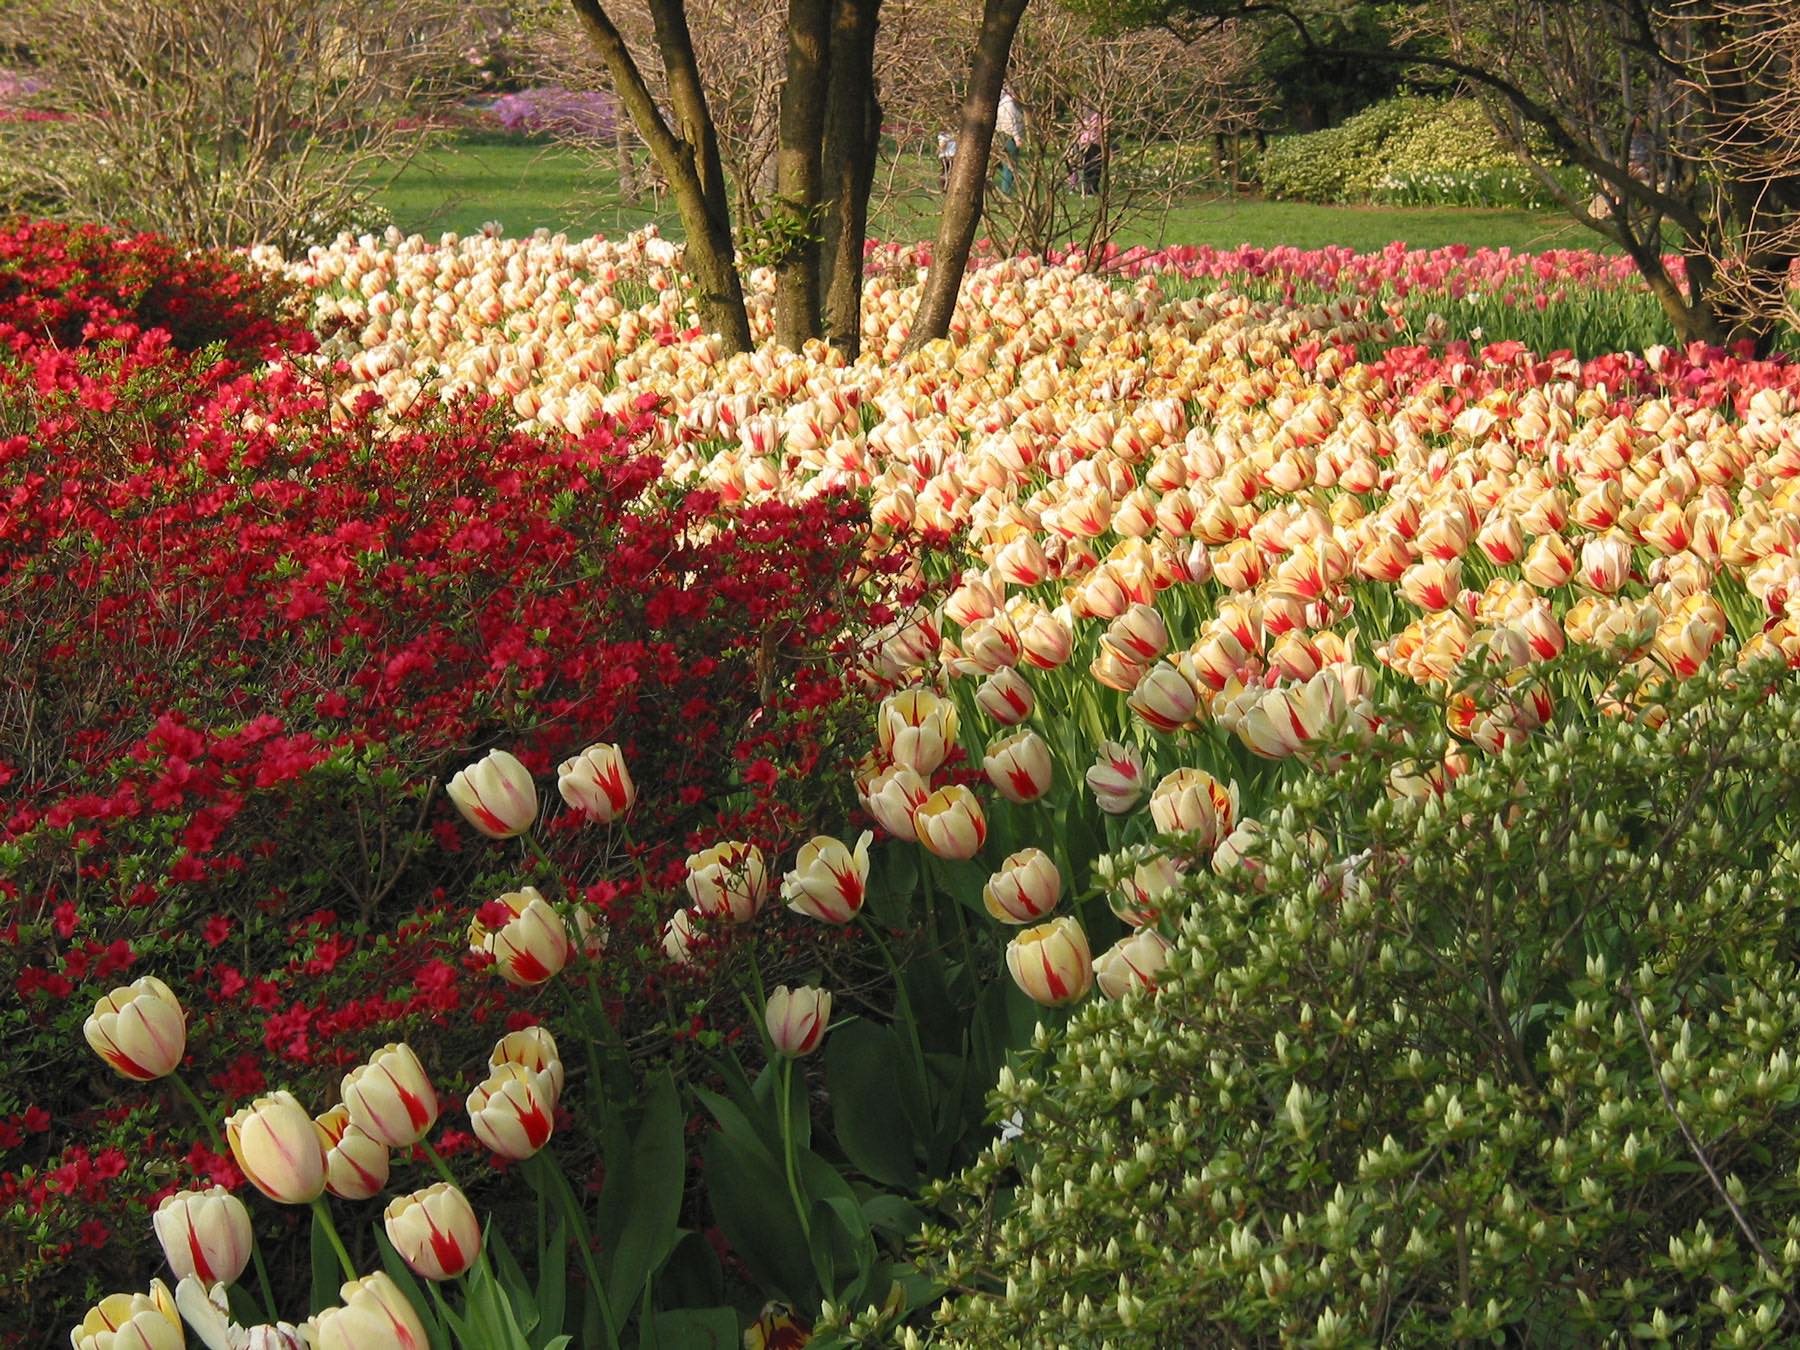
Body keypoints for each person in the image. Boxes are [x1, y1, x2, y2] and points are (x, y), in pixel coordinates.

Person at [995, 86, 1023, 196]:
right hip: (1009, 136)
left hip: (1001, 135)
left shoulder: (1001, 104)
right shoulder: (1010, 105)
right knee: (1010, 164)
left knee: (1006, 163)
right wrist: (1017, 138)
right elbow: (1012, 123)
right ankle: (1007, 190)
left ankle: (1007, 187)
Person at [1072, 106, 1106, 196]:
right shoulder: (1084, 115)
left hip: (1094, 143)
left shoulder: (1098, 116)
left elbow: (1103, 128)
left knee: (1095, 166)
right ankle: (1088, 188)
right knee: (1089, 166)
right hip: (1086, 142)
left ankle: (1092, 188)